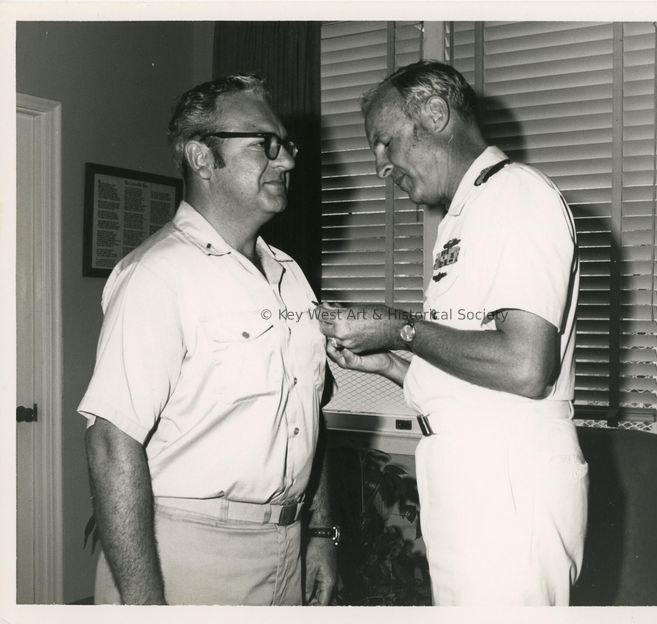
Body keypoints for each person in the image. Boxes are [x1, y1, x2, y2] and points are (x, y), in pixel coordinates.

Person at [319, 60, 587, 606]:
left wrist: (399, 328)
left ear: (436, 115)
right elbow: (475, 369)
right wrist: (392, 361)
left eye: (385, 143)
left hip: (506, 477)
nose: (380, 166)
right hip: (475, 472)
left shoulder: (516, 197)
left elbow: (525, 366)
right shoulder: (467, 214)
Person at [79, 74, 337, 606]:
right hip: (185, 553)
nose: (286, 161)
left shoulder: (290, 276)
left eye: (286, 146)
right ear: (202, 157)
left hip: (286, 545)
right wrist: (144, 601)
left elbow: (308, 413)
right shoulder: (157, 274)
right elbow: (111, 441)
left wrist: (319, 533)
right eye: (265, 145)